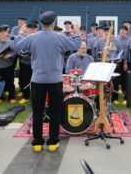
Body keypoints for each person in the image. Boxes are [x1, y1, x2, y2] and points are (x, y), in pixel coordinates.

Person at [14, 11, 81, 152]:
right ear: (53, 23)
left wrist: (21, 32)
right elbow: (76, 44)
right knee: (55, 112)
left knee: (37, 112)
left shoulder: (32, 37)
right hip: (55, 80)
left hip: (37, 80)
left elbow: (17, 46)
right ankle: (52, 142)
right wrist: (77, 31)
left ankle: (37, 143)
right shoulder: (60, 37)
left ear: (40, 24)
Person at [0, 26, 16, 103]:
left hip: (9, 65)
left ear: (6, 33)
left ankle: (11, 97)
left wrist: (10, 55)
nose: (2, 34)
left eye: (4, 32)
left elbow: (15, 52)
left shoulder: (11, 42)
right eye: (0, 32)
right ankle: (0, 97)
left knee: (10, 82)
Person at [15, 21, 38, 104]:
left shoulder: (39, 37)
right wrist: (20, 54)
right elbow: (17, 47)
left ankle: (35, 97)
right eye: (30, 29)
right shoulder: (23, 37)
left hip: (36, 63)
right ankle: (25, 96)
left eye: (33, 29)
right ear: (27, 29)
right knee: (25, 80)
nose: (32, 30)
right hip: (25, 62)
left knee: (36, 81)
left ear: (36, 29)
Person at [112, 25, 130, 104]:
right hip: (117, 62)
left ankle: (126, 98)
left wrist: (125, 62)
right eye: (121, 30)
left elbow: (128, 51)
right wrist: (115, 59)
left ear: (127, 32)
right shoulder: (115, 40)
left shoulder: (129, 40)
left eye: (124, 30)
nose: (122, 32)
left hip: (126, 62)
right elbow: (113, 51)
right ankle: (115, 98)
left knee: (126, 80)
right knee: (116, 80)